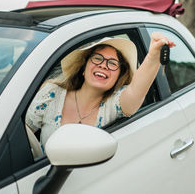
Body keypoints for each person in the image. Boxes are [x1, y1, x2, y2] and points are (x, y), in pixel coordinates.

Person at [25, 32, 175, 152]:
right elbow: (21, 137)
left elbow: (136, 90)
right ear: (83, 68)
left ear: (118, 76)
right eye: (97, 58)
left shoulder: (113, 105)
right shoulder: (51, 94)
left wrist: (153, 56)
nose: (103, 65)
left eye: (112, 63)